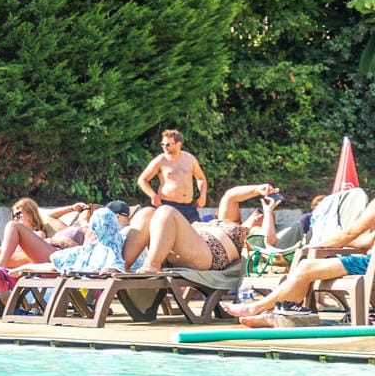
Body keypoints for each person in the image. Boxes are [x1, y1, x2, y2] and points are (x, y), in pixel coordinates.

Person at [222, 195, 375, 324]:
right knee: (306, 268)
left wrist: (322, 244)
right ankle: (274, 315)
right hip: (368, 262)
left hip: (370, 264)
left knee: (306, 268)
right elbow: (366, 242)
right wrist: (329, 244)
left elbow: (351, 233)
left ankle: (256, 308)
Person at [121, 186, 252, 273]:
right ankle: (121, 266)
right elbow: (230, 195)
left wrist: (268, 211)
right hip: (182, 247)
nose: (258, 212)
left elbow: (269, 241)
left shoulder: (253, 231)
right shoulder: (229, 219)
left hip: (212, 255)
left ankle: (152, 265)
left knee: (167, 211)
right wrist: (261, 189)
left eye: (261, 212)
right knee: (147, 212)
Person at [137, 129, 209, 219]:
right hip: (169, 205)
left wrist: (202, 195)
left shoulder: (190, 159)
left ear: (178, 144)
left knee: (194, 232)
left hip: (189, 207)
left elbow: (201, 178)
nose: (164, 147)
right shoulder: (160, 160)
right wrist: (153, 196)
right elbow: (142, 180)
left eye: (168, 144)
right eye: (162, 144)